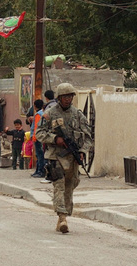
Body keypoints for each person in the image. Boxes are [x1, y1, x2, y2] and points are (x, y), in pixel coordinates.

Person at [36, 83, 92, 233]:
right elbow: (39, 133)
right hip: (55, 155)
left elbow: (87, 136)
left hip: (72, 157)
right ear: (59, 98)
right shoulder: (49, 113)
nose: (68, 99)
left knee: (70, 185)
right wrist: (55, 139)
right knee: (59, 185)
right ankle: (62, 217)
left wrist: (82, 151)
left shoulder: (78, 114)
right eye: (65, 96)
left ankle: (64, 213)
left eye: (70, 96)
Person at [31, 99, 46, 178]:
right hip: (42, 137)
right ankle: (38, 170)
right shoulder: (43, 113)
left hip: (38, 137)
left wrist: (34, 136)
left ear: (35, 106)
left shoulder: (38, 115)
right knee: (40, 154)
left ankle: (40, 171)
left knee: (39, 155)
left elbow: (36, 126)